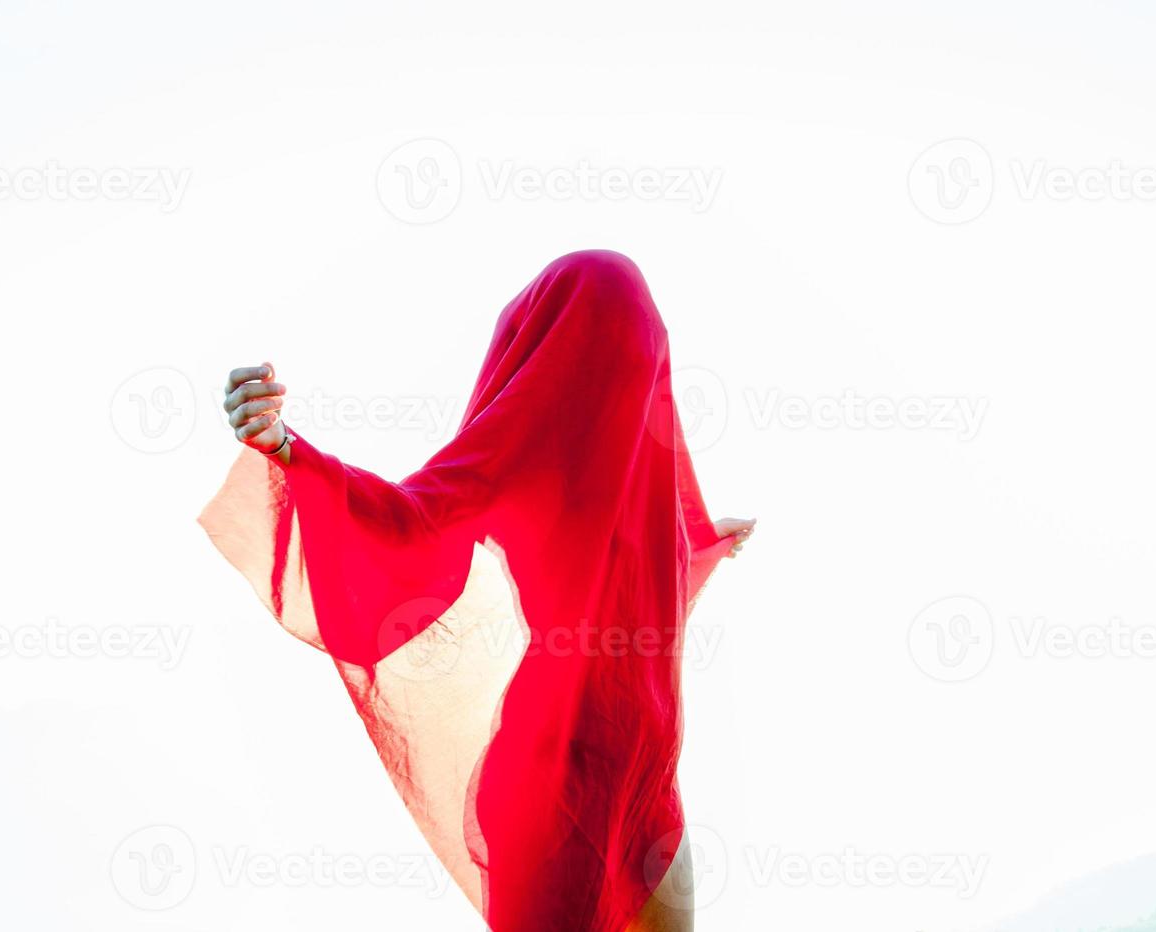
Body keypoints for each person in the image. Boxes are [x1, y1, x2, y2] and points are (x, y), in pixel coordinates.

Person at [201, 250, 755, 932]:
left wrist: (705, 543)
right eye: (616, 331)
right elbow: (413, 524)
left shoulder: (646, 490)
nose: (638, 357)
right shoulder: (525, 460)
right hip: (556, 780)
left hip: (647, 778)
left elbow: (651, 586)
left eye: (643, 335)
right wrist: (287, 448)